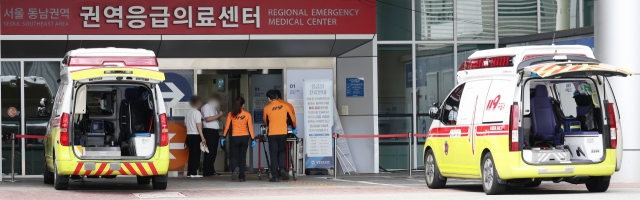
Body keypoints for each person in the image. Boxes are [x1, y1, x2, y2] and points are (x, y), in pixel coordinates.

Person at [263, 90, 297, 182]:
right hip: (283, 133)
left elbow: (266, 121)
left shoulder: (267, 108)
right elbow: (292, 119)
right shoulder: (286, 106)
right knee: (282, 152)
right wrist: (294, 127)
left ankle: (275, 176)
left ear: (269, 99)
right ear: (277, 96)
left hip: (272, 134)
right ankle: (282, 169)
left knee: (273, 154)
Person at [221, 97, 255, 182]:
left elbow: (227, 127)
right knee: (242, 158)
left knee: (233, 156)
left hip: (235, 137)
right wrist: (253, 139)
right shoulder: (247, 114)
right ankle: (242, 177)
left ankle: (235, 168)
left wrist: (223, 137)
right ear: (243, 105)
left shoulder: (231, 114)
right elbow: (250, 128)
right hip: (245, 137)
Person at [201, 93, 224, 177]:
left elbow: (218, 119)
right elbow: (207, 119)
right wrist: (217, 115)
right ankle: (206, 170)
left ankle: (211, 170)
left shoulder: (213, 108)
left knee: (214, 151)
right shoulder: (205, 107)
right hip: (208, 131)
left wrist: (220, 116)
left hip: (215, 131)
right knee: (209, 151)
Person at [185, 96, 205, 178]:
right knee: (196, 155)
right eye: (200, 102)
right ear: (197, 103)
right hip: (196, 135)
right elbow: (198, 125)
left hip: (189, 135)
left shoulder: (188, 112)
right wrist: (203, 137)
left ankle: (190, 173)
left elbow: (185, 124)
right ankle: (194, 173)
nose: (201, 104)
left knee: (191, 155)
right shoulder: (197, 113)